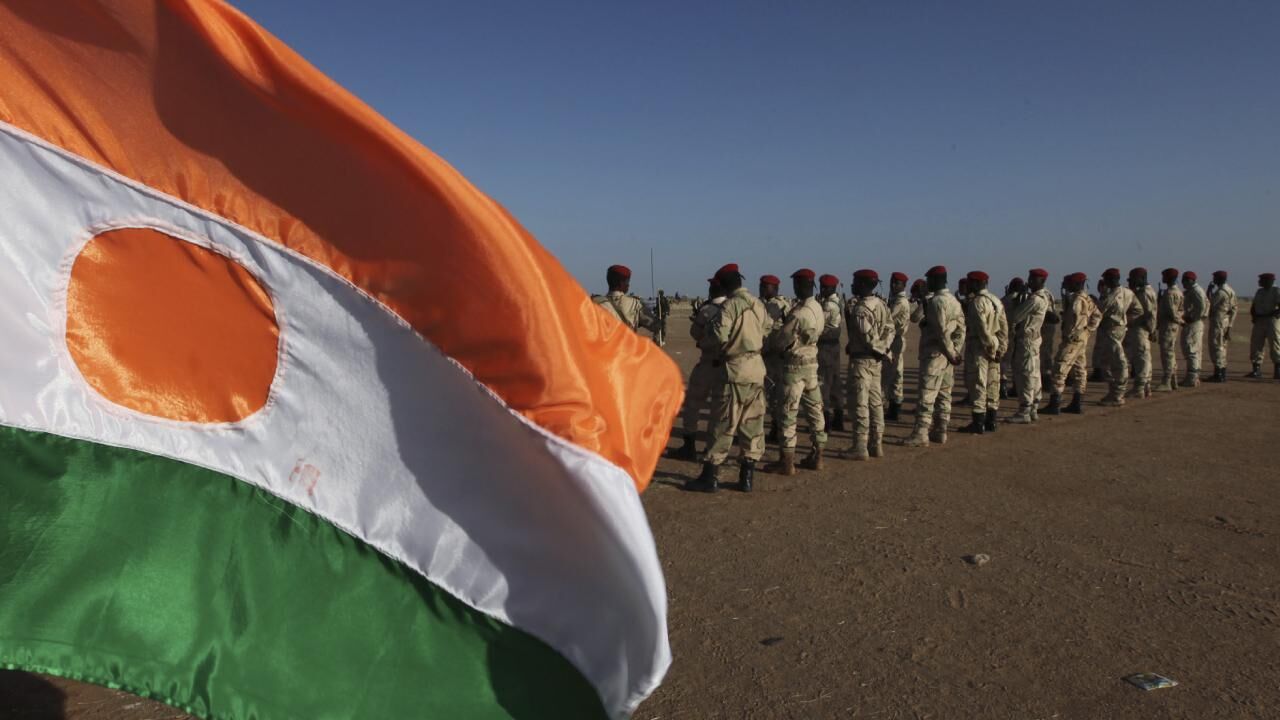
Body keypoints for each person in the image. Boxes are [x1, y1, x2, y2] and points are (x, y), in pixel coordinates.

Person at [687, 264, 768, 493]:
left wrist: (708, 340)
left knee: (722, 422)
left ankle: (710, 476)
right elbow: (767, 329)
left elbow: (718, 335)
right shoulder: (758, 304)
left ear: (722, 285)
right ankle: (746, 477)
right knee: (752, 423)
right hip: (756, 368)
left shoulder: (730, 306)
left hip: (734, 369)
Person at [763, 269, 828, 475]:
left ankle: (786, 462)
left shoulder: (799, 313)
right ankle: (818, 456)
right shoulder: (817, 307)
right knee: (815, 412)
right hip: (812, 365)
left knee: (788, 414)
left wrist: (771, 344)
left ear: (799, 285)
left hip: (794, 367)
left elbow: (782, 340)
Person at [904, 266, 965, 447]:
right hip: (947, 355)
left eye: (929, 280)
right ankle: (940, 430)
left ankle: (921, 433)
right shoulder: (953, 301)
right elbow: (961, 328)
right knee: (944, 393)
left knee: (927, 394)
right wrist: (955, 351)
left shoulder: (937, 302)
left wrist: (950, 352)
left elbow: (941, 332)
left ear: (935, 281)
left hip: (934, 354)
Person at [841, 269, 895, 459]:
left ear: (863, 284)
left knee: (860, 404)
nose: (852, 285)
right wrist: (885, 348)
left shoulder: (861, 309)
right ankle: (876, 443)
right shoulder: (881, 304)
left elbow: (869, 339)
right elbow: (890, 329)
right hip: (875, 361)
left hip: (863, 361)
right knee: (875, 403)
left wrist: (880, 349)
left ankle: (860, 446)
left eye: (855, 281)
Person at [672, 278, 726, 459]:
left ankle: (689, 446)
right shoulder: (735, 308)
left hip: (708, 363)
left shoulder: (707, 310)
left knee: (693, 404)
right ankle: (714, 449)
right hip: (728, 366)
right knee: (719, 410)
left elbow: (694, 333)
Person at [1044, 272, 1101, 414]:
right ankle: (1077, 402)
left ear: (1076, 284)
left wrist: (1072, 332)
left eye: (1068, 284)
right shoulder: (1086, 298)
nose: (1065, 286)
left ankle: (1054, 403)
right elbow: (1097, 315)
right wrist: (1088, 330)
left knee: (1059, 370)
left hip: (1072, 340)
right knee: (1079, 370)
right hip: (1081, 339)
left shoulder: (1077, 300)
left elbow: (1074, 319)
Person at [960, 271, 1009, 433]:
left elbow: (982, 328)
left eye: (970, 283)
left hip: (980, 347)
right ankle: (991, 420)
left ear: (975, 283)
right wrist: (1001, 348)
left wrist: (989, 347)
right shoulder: (996, 300)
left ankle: (978, 422)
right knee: (993, 383)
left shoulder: (977, 302)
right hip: (994, 344)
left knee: (978, 383)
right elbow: (1003, 327)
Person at [1007, 268, 1054, 423]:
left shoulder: (1034, 300)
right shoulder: (1046, 296)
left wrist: (1018, 299)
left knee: (1025, 374)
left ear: (1042, 281)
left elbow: (1015, 316)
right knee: (1034, 373)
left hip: (1026, 340)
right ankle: (1033, 407)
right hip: (1034, 339)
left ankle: (1024, 410)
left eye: (1033, 279)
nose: (1030, 282)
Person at [1096, 268, 1140, 406]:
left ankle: (1117, 395)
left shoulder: (1111, 297)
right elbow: (1138, 310)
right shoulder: (1128, 292)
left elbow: (1098, 313)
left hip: (1111, 330)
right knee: (1108, 361)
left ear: (1110, 280)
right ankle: (1114, 392)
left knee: (1116, 362)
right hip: (1120, 329)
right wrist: (1126, 320)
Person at [759, 274, 791, 439]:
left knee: (774, 393)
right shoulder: (769, 304)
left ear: (775, 288)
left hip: (774, 355)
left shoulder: (777, 305)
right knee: (773, 393)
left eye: (765, 286)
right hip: (770, 354)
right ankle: (776, 426)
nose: (761, 289)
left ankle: (777, 428)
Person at [594, 264, 661, 336]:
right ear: (621, 283)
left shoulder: (595, 303)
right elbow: (656, 326)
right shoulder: (634, 304)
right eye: (627, 281)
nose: (628, 285)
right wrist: (661, 312)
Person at [1124, 268, 1158, 399]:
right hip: (1141, 328)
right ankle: (1145, 387)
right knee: (1143, 357)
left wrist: (1151, 329)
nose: (1131, 282)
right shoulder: (1144, 291)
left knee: (1141, 358)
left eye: (1133, 279)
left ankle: (1139, 388)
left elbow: (1149, 314)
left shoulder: (1145, 293)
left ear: (1142, 278)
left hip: (1140, 328)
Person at [816, 274, 845, 432]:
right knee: (835, 382)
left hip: (825, 346)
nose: (822, 290)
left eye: (824, 287)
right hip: (834, 346)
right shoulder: (837, 302)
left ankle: (826, 421)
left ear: (831, 288)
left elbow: (820, 326)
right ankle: (838, 418)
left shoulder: (828, 305)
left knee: (824, 384)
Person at [883, 272, 911, 421]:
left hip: (895, 340)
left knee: (893, 374)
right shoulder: (895, 299)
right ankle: (894, 406)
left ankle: (894, 408)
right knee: (894, 373)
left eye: (897, 283)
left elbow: (888, 319)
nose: (893, 285)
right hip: (894, 339)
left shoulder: (900, 302)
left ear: (904, 285)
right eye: (892, 282)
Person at [1155, 267, 1185, 392]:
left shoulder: (1169, 294)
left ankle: (1166, 381)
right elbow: (1181, 310)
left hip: (1168, 326)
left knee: (1167, 354)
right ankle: (1173, 380)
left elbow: (1172, 313)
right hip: (1173, 326)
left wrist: (1181, 321)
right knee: (1170, 353)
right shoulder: (1179, 292)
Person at [1207, 271, 1237, 383]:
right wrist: (1230, 326)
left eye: (1215, 278)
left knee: (1217, 346)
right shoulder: (1230, 290)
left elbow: (1210, 304)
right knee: (1223, 347)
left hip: (1218, 321)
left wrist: (1209, 291)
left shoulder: (1220, 292)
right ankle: (1222, 372)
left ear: (1219, 279)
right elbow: (1234, 309)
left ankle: (1218, 373)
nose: (1213, 280)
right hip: (1225, 321)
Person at [1248, 272, 1280, 379]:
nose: (1259, 282)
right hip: (1259, 320)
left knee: (1275, 344)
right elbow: (1254, 305)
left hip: (1272, 321)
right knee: (1256, 344)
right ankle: (1256, 370)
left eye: (1261, 280)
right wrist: (1254, 316)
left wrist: (1271, 314)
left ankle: (1278, 370)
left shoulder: (1276, 291)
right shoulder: (1259, 291)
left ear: (1269, 281)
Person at [1180, 271, 1209, 387]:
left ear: (1191, 280)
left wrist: (1193, 317)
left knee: (1191, 349)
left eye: (1185, 281)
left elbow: (1202, 306)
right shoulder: (1193, 290)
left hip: (1194, 323)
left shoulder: (1196, 291)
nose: (1183, 283)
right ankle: (1194, 376)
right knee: (1195, 350)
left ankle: (1192, 378)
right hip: (1194, 322)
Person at [1000, 277, 1026, 399]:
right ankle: (1016, 386)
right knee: (1017, 362)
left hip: (1007, 333)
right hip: (1020, 334)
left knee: (1004, 361)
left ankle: (1003, 387)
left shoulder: (1005, 300)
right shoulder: (1025, 300)